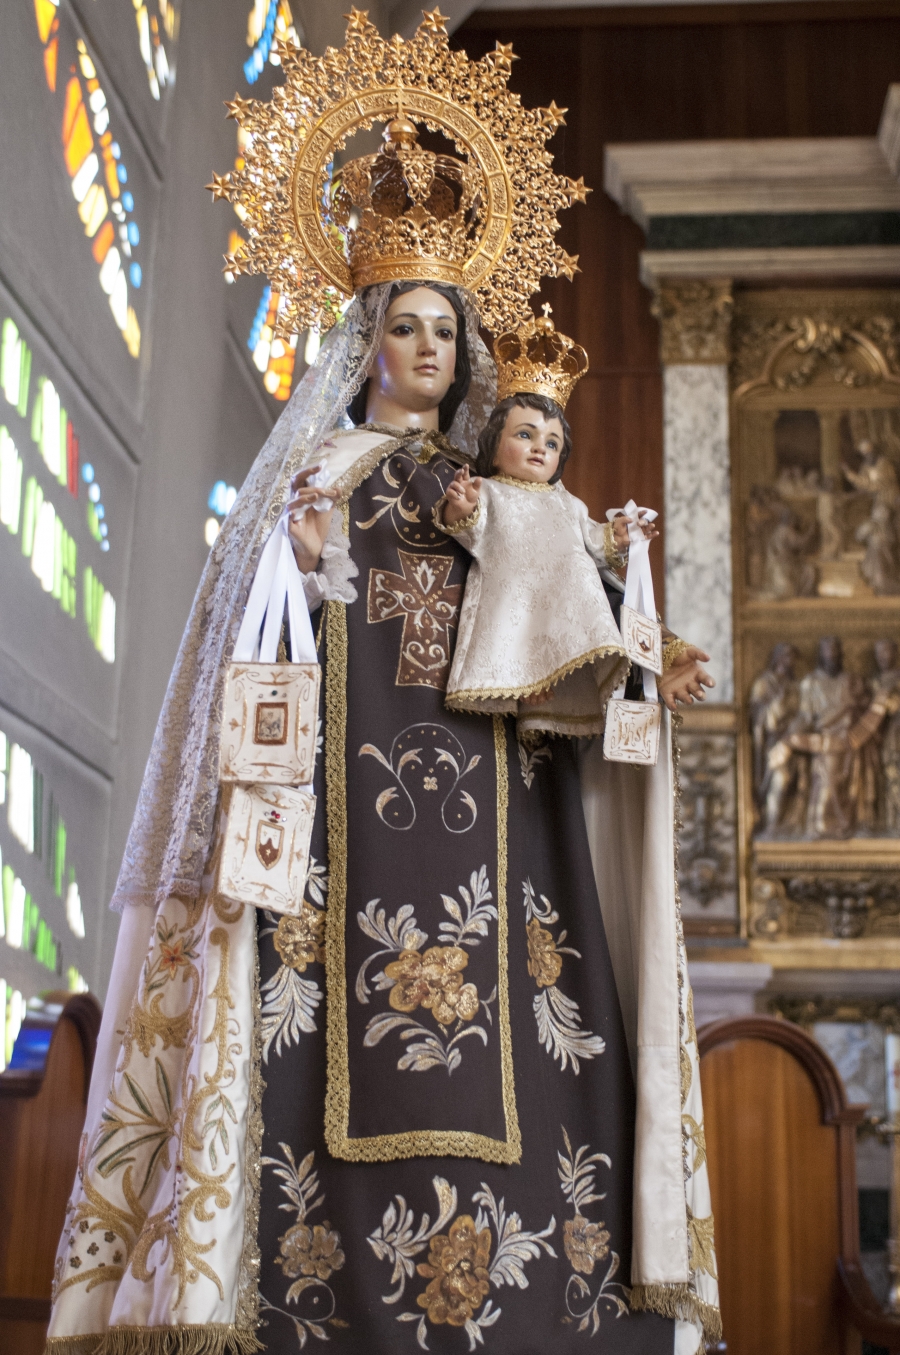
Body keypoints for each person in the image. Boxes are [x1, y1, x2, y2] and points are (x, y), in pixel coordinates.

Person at [45, 16, 719, 1355]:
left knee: (537, 1039)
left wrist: (641, 651)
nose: (425, 346)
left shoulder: (508, 504)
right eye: (401, 324)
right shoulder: (319, 485)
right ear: (364, 339)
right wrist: (292, 571)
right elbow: (247, 648)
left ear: (471, 349)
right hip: (337, 844)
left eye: (444, 327)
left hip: (507, 834)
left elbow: (574, 637)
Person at [436, 307, 658, 738]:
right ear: (494, 446)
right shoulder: (492, 491)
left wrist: (617, 535)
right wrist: (460, 510)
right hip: (513, 596)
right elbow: (470, 528)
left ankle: (549, 705)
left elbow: (595, 544)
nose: (540, 448)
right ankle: (525, 698)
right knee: (522, 643)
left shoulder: (568, 503)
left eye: (551, 442)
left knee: (562, 647)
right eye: (525, 435)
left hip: (563, 602)